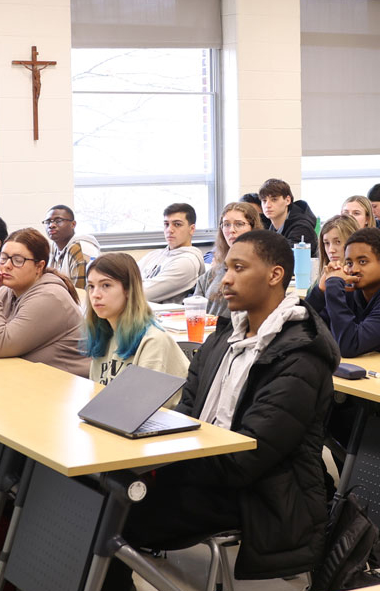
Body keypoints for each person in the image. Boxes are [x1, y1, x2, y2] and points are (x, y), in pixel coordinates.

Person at [101, 230, 339, 590]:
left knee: (109, 516)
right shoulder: (223, 335)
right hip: (202, 470)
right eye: (226, 267)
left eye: (239, 268)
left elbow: (248, 457)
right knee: (96, 495)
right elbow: (187, 412)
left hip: (261, 495)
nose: (225, 279)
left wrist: (167, 465)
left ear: (275, 275)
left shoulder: (300, 354)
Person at [0, 227, 89, 376]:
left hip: (64, 386)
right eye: (4, 258)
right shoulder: (5, 291)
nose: (7, 265)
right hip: (29, 379)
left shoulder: (50, 297)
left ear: (39, 267)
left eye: (18, 260)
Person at [83, 253, 189, 403]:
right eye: (91, 286)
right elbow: (98, 397)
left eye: (106, 285)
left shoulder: (153, 341)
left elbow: (141, 406)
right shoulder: (104, 336)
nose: (95, 295)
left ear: (128, 290)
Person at [307, 226, 380, 358]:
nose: (354, 269)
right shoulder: (351, 291)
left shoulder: (341, 289)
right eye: (349, 263)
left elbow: (350, 345)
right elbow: (304, 327)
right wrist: (320, 290)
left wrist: (334, 284)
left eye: (362, 261)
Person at [193, 201, 262, 322]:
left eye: (239, 224)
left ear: (252, 227)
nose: (232, 230)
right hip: (207, 335)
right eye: (226, 224)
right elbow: (194, 309)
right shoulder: (213, 273)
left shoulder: (260, 270)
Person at [137, 203, 205, 304]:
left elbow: (142, 294)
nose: (170, 230)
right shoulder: (155, 254)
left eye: (177, 224)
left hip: (158, 317)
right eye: (166, 224)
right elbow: (125, 277)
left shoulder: (187, 262)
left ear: (192, 229)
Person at [42, 204, 100, 289]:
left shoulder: (80, 249)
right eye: (48, 222)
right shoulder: (52, 248)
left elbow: (81, 293)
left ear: (73, 224)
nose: (51, 225)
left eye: (58, 221)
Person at [258, 178, 317, 255]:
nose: (267, 205)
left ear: (287, 200)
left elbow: (286, 255)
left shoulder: (302, 227)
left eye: (274, 199)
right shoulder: (270, 225)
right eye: (264, 201)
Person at [311, 214, 360, 295]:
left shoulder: (360, 282)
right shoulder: (324, 277)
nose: (331, 250)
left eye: (338, 242)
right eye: (326, 243)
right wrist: (320, 290)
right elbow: (307, 307)